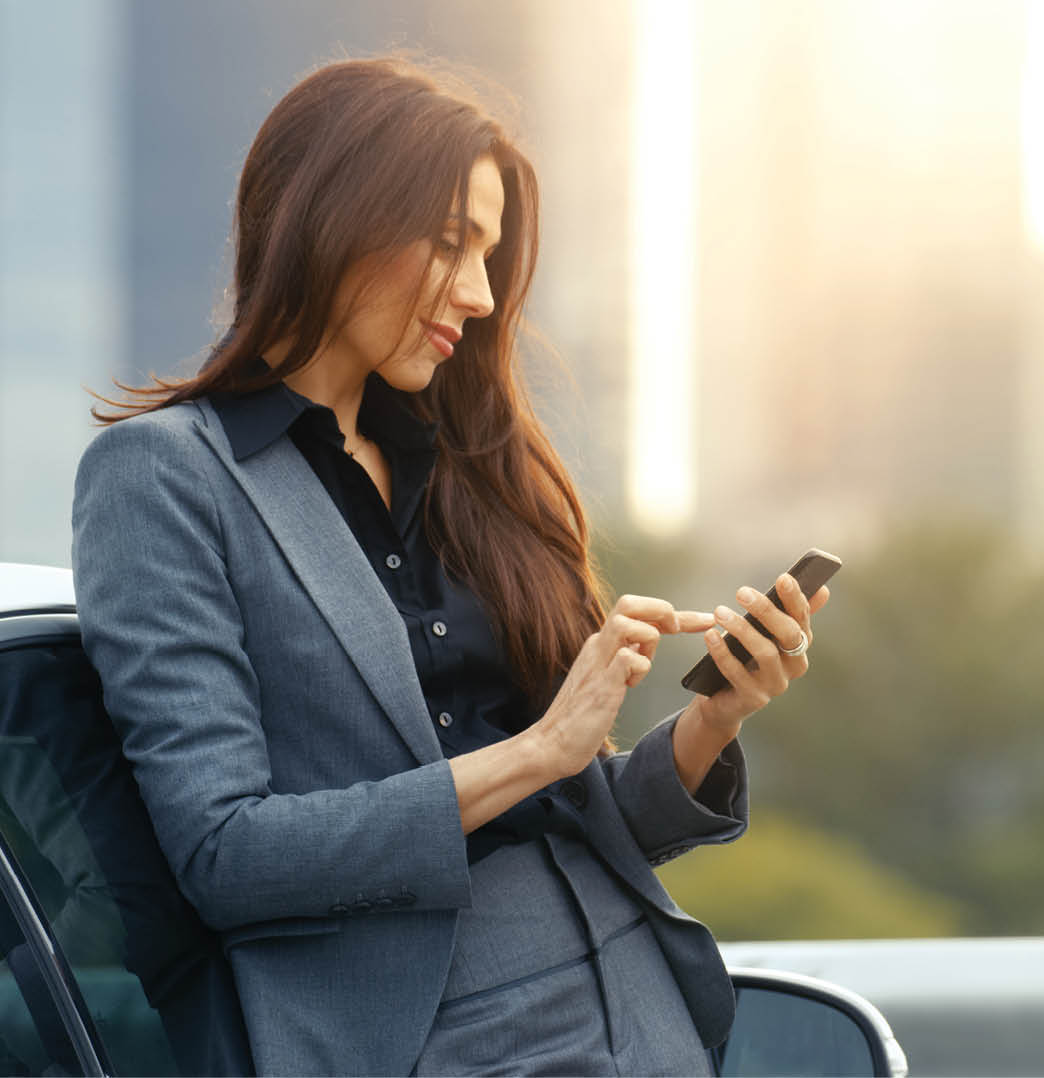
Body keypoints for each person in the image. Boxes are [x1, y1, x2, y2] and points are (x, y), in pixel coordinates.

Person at [71, 56, 827, 1077]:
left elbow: (569, 815)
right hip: (432, 1039)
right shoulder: (166, 476)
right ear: (337, 219)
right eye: (451, 245)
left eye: (490, 256)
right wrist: (542, 748)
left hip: (635, 1002)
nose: (477, 295)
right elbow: (225, 856)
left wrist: (713, 719)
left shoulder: (464, 464)